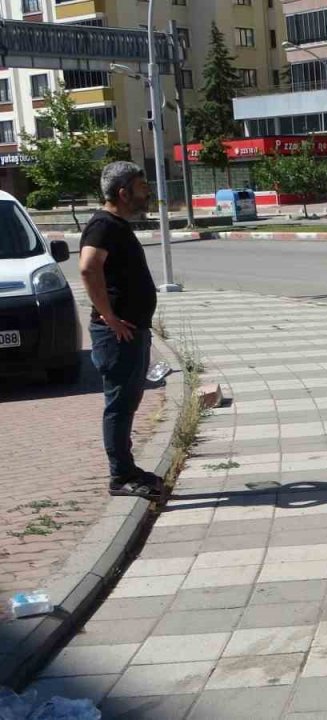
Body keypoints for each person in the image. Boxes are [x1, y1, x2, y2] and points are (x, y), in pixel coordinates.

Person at [78, 162, 164, 499]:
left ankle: (126, 468)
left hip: (131, 331)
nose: (147, 193)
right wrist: (109, 317)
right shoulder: (103, 226)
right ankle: (120, 476)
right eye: (142, 187)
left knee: (127, 400)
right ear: (124, 192)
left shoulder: (116, 225)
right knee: (119, 403)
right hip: (117, 334)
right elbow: (87, 268)